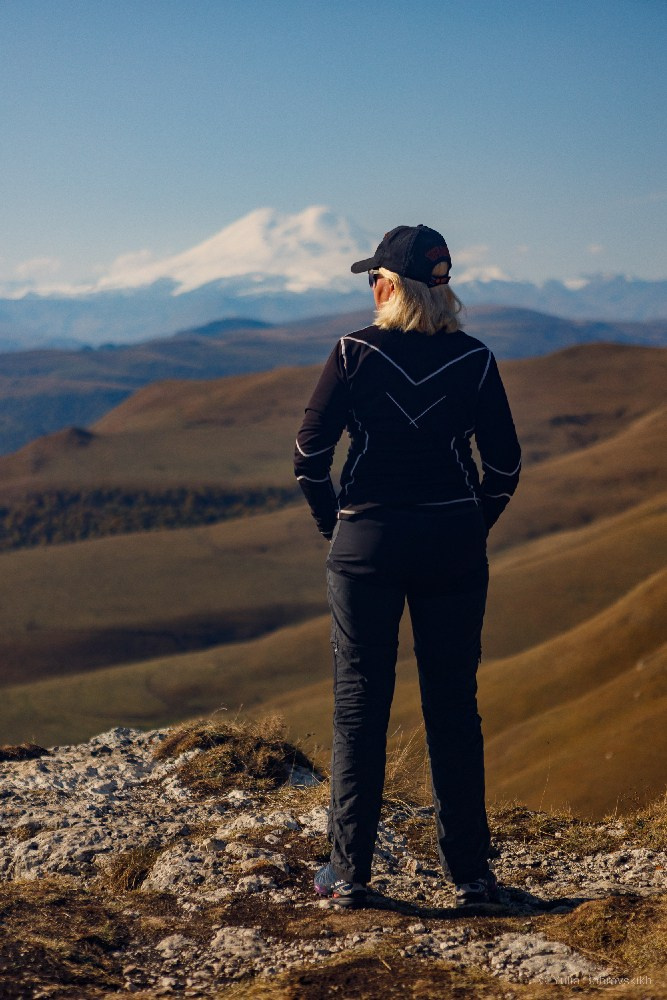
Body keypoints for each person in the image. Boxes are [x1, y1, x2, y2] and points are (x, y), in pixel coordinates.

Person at [294, 224, 521, 909]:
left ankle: (347, 874)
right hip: (451, 542)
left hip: (366, 542)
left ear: (388, 287)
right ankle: (471, 877)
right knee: (452, 706)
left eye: (374, 279)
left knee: (360, 705)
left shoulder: (351, 351)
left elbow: (309, 457)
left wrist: (337, 527)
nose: (370, 288)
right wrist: (466, 525)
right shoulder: (474, 359)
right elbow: (504, 466)